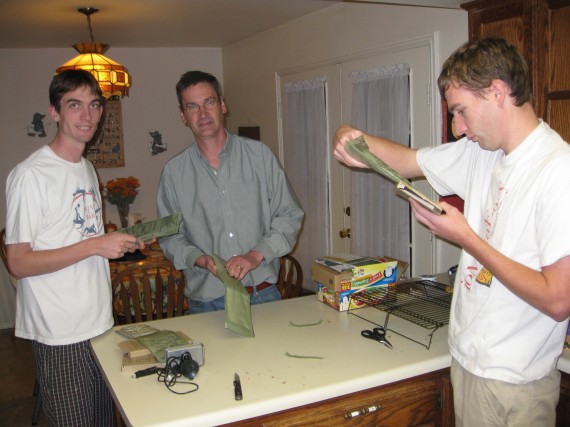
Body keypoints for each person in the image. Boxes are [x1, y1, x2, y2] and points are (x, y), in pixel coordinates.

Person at [333, 37, 570, 426]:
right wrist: (348, 135)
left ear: (497, 92)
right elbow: (407, 160)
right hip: (468, 363)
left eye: (460, 111)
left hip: (514, 386)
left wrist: (467, 239)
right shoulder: (483, 152)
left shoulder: (557, 171)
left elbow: (559, 299)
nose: (458, 129)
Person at [5, 69, 147, 426]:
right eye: (74, 105)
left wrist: (122, 244)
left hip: (98, 321)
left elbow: (84, 239)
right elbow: (18, 263)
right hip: (60, 332)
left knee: (104, 420)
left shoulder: (86, 168)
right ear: (54, 112)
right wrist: (95, 245)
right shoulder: (30, 176)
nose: (86, 116)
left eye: (93, 105)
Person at [157, 71, 303, 314]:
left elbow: (289, 215)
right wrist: (200, 259)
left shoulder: (260, 156)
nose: (202, 114)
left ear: (222, 105)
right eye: (192, 106)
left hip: (262, 293)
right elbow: (169, 237)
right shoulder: (173, 173)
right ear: (183, 116)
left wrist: (255, 256)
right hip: (207, 302)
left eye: (209, 102)